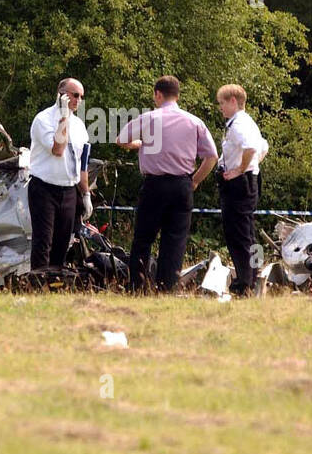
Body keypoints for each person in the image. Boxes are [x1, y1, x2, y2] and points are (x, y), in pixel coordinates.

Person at [115, 75, 218, 292]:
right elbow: (211, 157)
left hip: (155, 185)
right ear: (178, 95)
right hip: (182, 185)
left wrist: (140, 144)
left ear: (158, 94)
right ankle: (166, 288)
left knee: (143, 238)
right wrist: (195, 180)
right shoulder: (194, 121)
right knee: (175, 240)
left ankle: (138, 287)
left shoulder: (149, 118)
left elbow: (121, 139)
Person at [28, 79, 92, 271]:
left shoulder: (79, 125)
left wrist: (86, 193)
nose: (78, 100)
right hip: (44, 187)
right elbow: (58, 149)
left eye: (81, 96)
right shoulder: (44, 119)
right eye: (74, 95)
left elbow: (82, 164)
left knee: (63, 243)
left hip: (68, 188)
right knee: (43, 241)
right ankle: (38, 285)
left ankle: (55, 284)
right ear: (62, 95)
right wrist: (63, 117)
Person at [216, 84, 268, 296]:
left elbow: (251, 148)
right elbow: (263, 146)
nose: (221, 108)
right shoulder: (247, 123)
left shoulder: (239, 124)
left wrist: (240, 169)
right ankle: (252, 275)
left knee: (238, 234)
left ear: (233, 101)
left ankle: (244, 281)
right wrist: (252, 166)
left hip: (239, 184)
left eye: (222, 103)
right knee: (247, 231)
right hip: (248, 180)